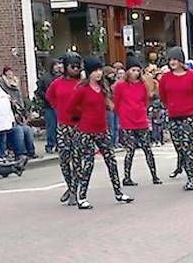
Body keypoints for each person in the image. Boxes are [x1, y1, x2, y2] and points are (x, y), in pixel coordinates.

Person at [68, 56, 134, 210]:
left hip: (102, 129)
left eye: (99, 70)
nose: (98, 74)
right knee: (88, 164)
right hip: (86, 130)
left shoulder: (103, 88)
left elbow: (110, 105)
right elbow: (71, 108)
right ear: (89, 72)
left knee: (111, 161)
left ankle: (118, 192)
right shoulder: (82, 90)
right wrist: (80, 116)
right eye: (95, 71)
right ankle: (82, 196)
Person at [159, 47, 193, 190]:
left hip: (191, 116)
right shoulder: (166, 78)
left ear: (181, 60)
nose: (172, 62)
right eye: (170, 60)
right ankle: (188, 173)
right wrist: (170, 107)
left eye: (175, 59)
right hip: (174, 116)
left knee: (187, 147)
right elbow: (163, 96)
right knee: (179, 148)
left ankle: (192, 178)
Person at [113, 55, 162, 187]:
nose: (135, 73)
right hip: (127, 120)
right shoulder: (120, 86)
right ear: (128, 71)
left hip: (141, 119)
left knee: (147, 148)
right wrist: (122, 115)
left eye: (137, 70)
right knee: (130, 150)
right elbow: (116, 103)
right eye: (133, 70)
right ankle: (127, 176)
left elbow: (145, 101)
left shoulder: (142, 85)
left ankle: (154, 175)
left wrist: (142, 112)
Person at [46, 53, 82, 206]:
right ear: (66, 67)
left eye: (78, 67)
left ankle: (74, 191)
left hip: (80, 125)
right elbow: (49, 97)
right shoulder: (57, 83)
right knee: (64, 160)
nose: (75, 69)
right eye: (72, 67)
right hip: (63, 125)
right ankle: (70, 185)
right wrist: (58, 108)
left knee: (77, 160)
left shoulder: (82, 83)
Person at [1, 66, 37, 160]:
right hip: (8, 117)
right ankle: (20, 153)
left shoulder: (16, 82)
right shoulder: (2, 85)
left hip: (17, 112)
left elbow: (19, 96)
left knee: (27, 129)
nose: (10, 74)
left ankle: (31, 152)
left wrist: (21, 109)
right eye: (7, 72)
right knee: (19, 131)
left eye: (11, 72)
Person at [35, 59, 62, 153]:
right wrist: (47, 97)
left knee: (60, 126)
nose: (57, 67)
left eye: (58, 64)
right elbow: (39, 91)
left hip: (60, 105)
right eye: (55, 65)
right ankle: (50, 145)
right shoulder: (45, 78)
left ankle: (59, 144)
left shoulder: (61, 77)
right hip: (49, 106)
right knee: (51, 126)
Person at [102, 66, 120, 148]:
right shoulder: (104, 83)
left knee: (116, 126)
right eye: (111, 73)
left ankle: (115, 143)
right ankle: (110, 144)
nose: (113, 75)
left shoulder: (114, 82)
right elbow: (106, 95)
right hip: (108, 107)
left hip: (116, 105)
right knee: (111, 126)